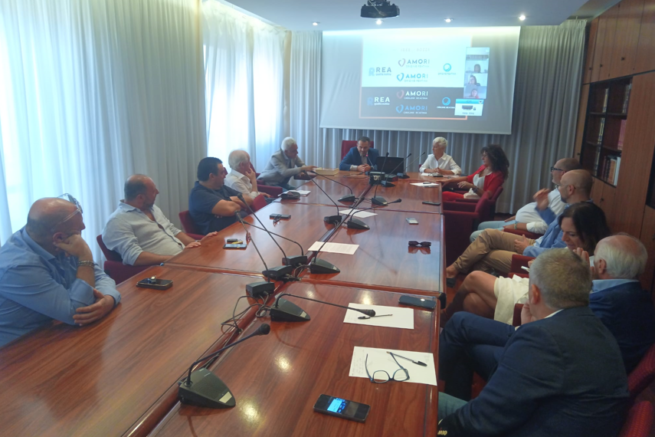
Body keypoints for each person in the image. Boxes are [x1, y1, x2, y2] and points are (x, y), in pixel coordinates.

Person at [438, 249, 629, 437]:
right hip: (546, 420)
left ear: (534, 293)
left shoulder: (544, 339)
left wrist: (440, 429)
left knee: (423, 398)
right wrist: (530, 328)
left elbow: (482, 420)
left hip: (518, 427)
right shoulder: (596, 328)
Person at [442, 202, 611, 326]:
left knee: (474, 278)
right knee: (472, 302)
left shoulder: (594, 264)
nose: (564, 239)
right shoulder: (574, 249)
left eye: (571, 234)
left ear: (590, 234)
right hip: (531, 286)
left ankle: (444, 319)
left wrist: (583, 275)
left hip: (535, 299)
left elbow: (566, 300)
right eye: (563, 232)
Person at [0, 196, 121, 347]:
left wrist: (108, 300)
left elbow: (101, 277)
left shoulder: (55, 242)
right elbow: (78, 312)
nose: (83, 231)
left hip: (57, 329)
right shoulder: (17, 267)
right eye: (79, 230)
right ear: (59, 237)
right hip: (21, 348)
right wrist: (85, 257)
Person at [445, 169, 593, 278]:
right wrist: (543, 209)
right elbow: (554, 227)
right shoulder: (573, 207)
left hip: (539, 255)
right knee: (488, 234)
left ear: (570, 189)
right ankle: (456, 270)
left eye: (561, 186)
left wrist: (527, 249)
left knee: (486, 255)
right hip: (537, 244)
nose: (558, 189)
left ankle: (470, 282)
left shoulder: (580, 216)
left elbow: (557, 254)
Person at [103, 175, 211, 266]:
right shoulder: (117, 221)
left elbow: (172, 230)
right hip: (162, 269)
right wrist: (175, 258)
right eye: (154, 192)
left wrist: (197, 244)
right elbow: (135, 257)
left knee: (214, 259)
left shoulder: (153, 208)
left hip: (183, 260)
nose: (158, 192)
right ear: (140, 198)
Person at [470, 158, 580, 241]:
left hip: (524, 229)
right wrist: (517, 215)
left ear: (563, 173)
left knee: (475, 236)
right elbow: (547, 216)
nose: (551, 172)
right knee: (481, 225)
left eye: (554, 169)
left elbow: (547, 226)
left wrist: (517, 225)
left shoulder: (563, 197)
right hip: (519, 222)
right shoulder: (557, 190)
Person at [189, 157, 252, 235]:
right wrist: (238, 204)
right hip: (219, 238)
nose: (225, 176)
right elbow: (232, 209)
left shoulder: (220, 187)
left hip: (240, 229)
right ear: (212, 176)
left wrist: (227, 200)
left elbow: (249, 200)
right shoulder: (198, 194)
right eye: (222, 173)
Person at [441, 144, 508, 202]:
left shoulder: (498, 175)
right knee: (444, 193)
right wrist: (449, 180)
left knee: (444, 195)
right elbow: (468, 178)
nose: (482, 158)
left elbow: (487, 196)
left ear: (493, 157)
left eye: (485, 156)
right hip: (468, 196)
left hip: (474, 202)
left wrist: (472, 187)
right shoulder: (483, 167)